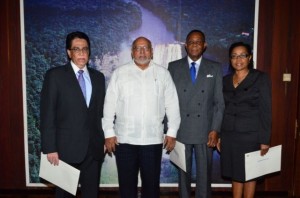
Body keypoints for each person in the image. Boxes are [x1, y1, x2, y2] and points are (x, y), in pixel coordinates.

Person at [102, 36, 181, 198]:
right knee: (126, 186)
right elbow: (109, 105)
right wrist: (109, 133)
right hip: (124, 140)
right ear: (132, 52)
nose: (142, 52)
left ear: (152, 52)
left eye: (146, 48)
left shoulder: (163, 74)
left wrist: (172, 132)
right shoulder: (120, 73)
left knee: (151, 187)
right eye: (138, 48)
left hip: (152, 141)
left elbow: (172, 104)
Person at [40, 31, 106, 198]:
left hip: (93, 150)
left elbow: (101, 113)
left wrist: (104, 139)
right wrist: (50, 148)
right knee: (64, 195)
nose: (82, 53)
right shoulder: (55, 76)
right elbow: (47, 113)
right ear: (69, 52)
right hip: (65, 151)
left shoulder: (98, 78)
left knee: (91, 194)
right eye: (77, 49)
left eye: (85, 49)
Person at [168, 29, 224, 198]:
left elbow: (219, 103)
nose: (194, 45)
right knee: (183, 173)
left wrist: (215, 130)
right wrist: (169, 130)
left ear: (204, 45)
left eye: (198, 42)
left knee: (204, 175)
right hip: (181, 130)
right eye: (191, 42)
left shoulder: (214, 68)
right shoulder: (174, 67)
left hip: (205, 131)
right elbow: (168, 101)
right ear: (186, 45)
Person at [217, 42, 272, 198]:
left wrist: (265, 139)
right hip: (229, 134)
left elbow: (266, 110)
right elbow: (222, 109)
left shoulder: (260, 78)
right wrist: (219, 134)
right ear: (230, 59)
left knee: (250, 173)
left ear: (250, 57)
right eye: (234, 56)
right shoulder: (225, 80)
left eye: (242, 55)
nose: (238, 59)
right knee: (235, 172)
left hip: (251, 136)